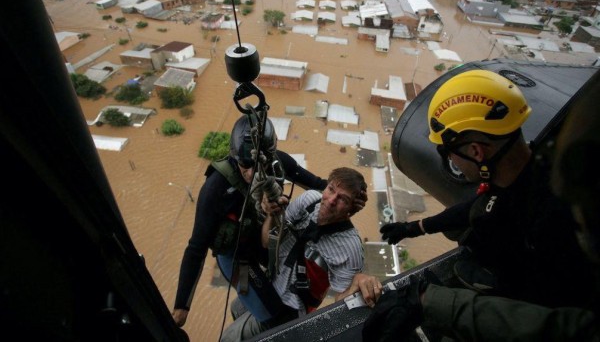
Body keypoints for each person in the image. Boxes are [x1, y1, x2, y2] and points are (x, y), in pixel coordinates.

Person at [363, 69, 600, 342]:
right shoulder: (530, 170)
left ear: (476, 151)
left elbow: (545, 320)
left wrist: (433, 302)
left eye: (447, 151)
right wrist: (415, 227)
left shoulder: (551, 223)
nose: (451, 160)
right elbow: (478, 206)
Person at [172, 115, 330, 329]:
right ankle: (247, 314)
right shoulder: (216, 188)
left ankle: (244, 307)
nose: (252, 172)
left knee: (295, 296)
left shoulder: (279, 164)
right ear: (234, 157)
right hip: (236, 257)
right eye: (245, 165)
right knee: (279, 322)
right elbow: (196, 248)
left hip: (268, 242)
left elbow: (318, 185)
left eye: (258, 165)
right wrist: (182, 306)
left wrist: (347, 194)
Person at [221, 167, 383, 341]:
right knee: (237, 308)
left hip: (288, 311)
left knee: (229, 338)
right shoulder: (309, 200)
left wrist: (356, 282)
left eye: (342, 198)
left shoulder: (349, 247)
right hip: (269, 284)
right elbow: (267, 242)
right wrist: (270, 214)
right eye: (330, 189)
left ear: (351, 209)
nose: (330, 200)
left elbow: (341, 304)